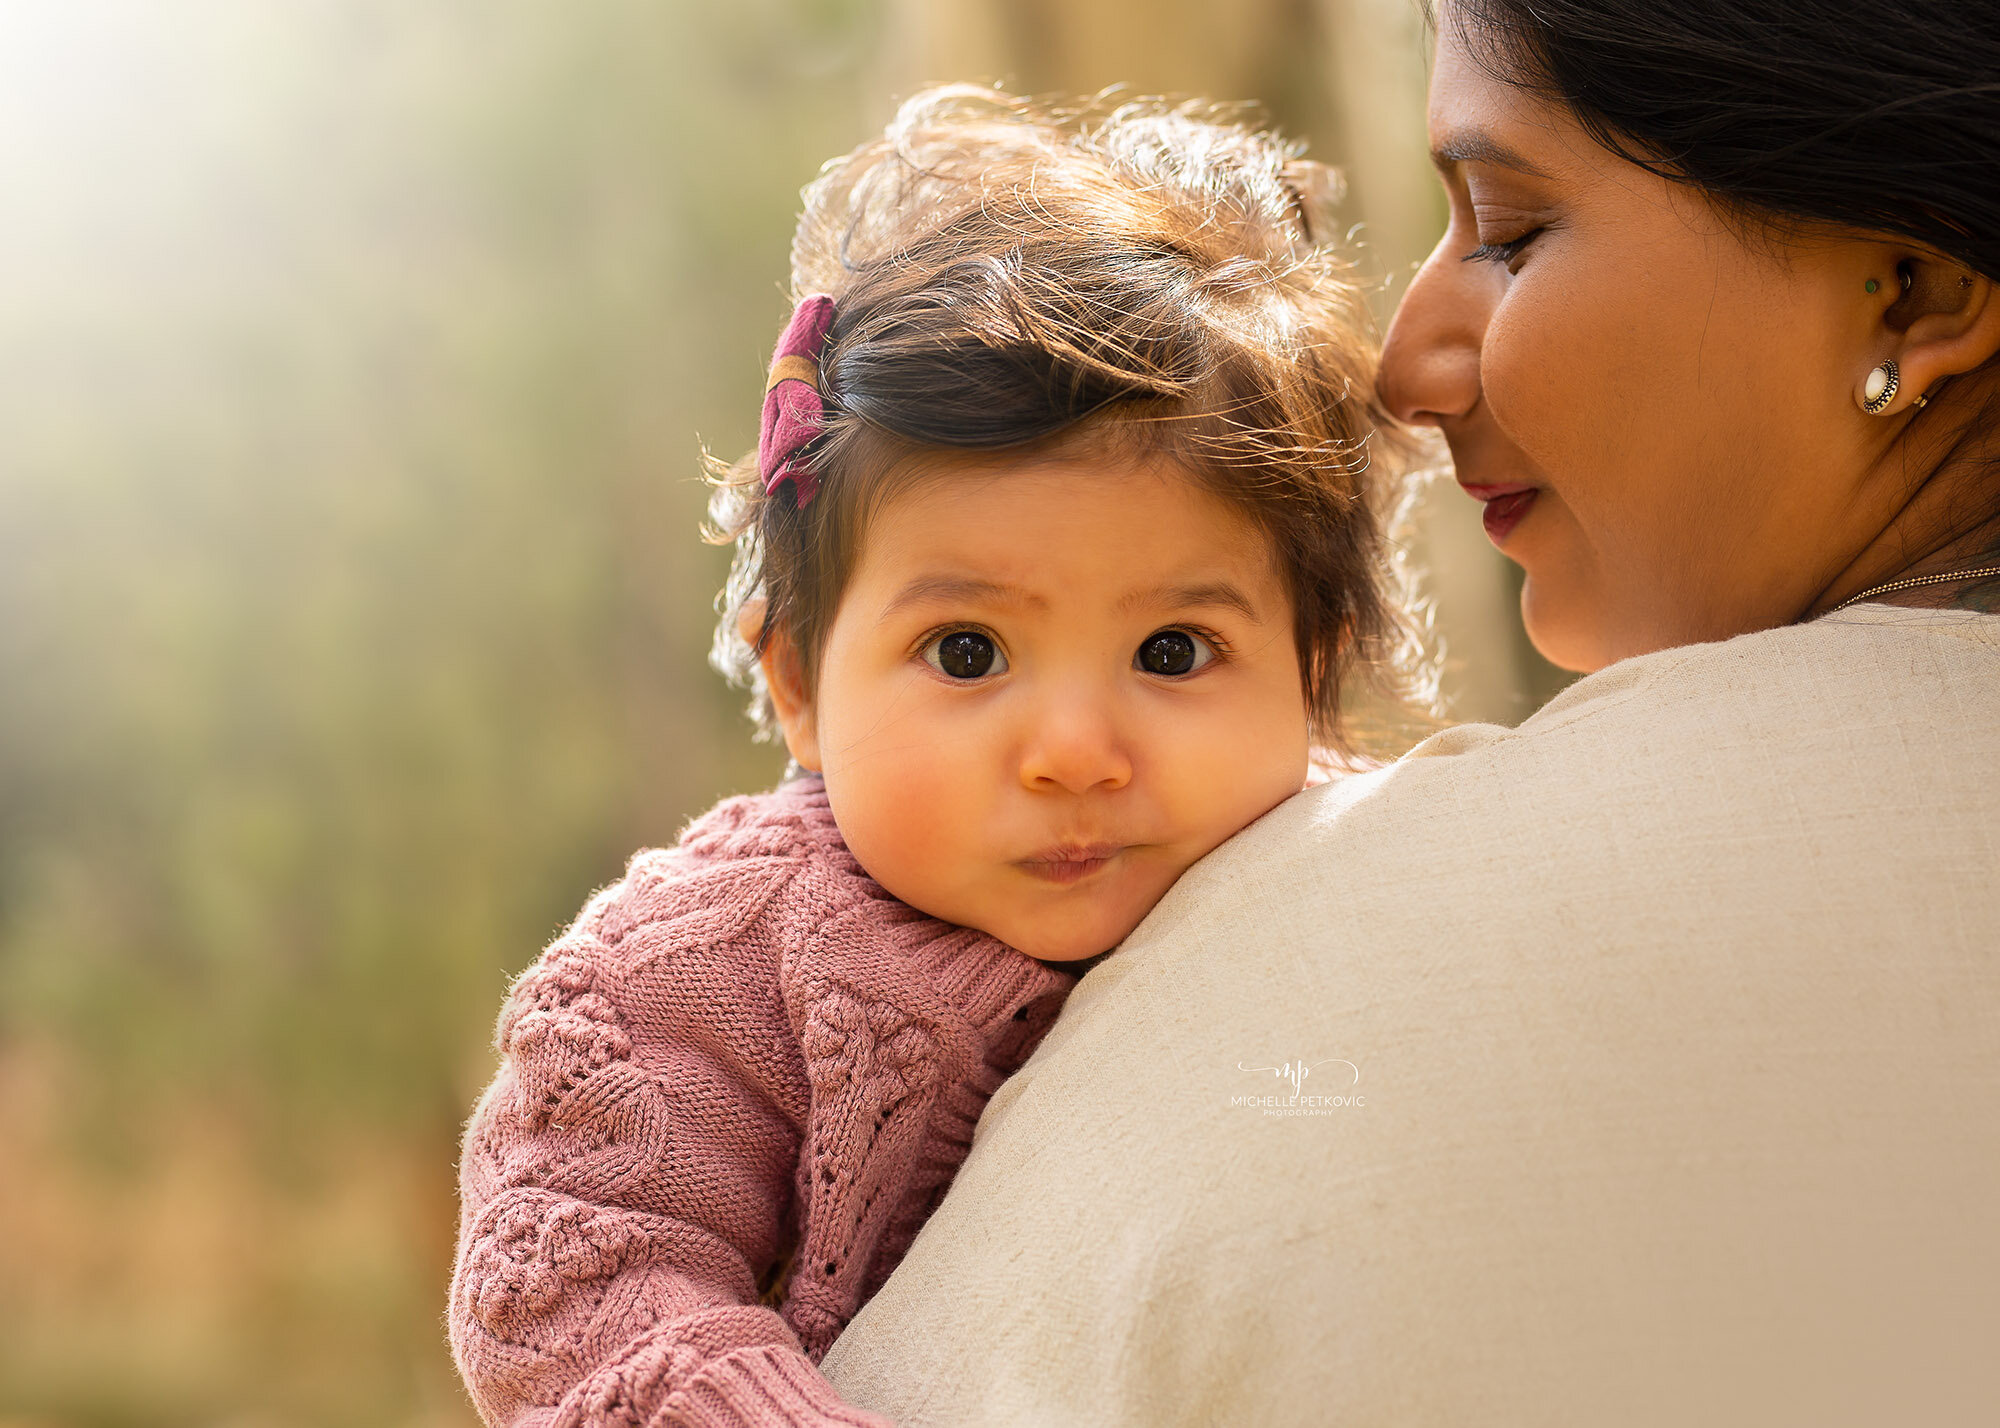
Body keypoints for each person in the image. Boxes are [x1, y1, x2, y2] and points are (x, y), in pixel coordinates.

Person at [814, 4, 2000, 1424]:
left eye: (1506, 232)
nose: (1405, 365)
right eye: (966, 650)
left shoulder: (1332, 958)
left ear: (1915, 291)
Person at [446, 86, 1422, 1427]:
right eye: (968, 654)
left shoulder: (1360, 871)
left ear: (1310, 674)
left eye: (1176, 652)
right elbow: (580, 1283)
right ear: (797, 681)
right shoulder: (704, 967)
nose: (1076, 753)